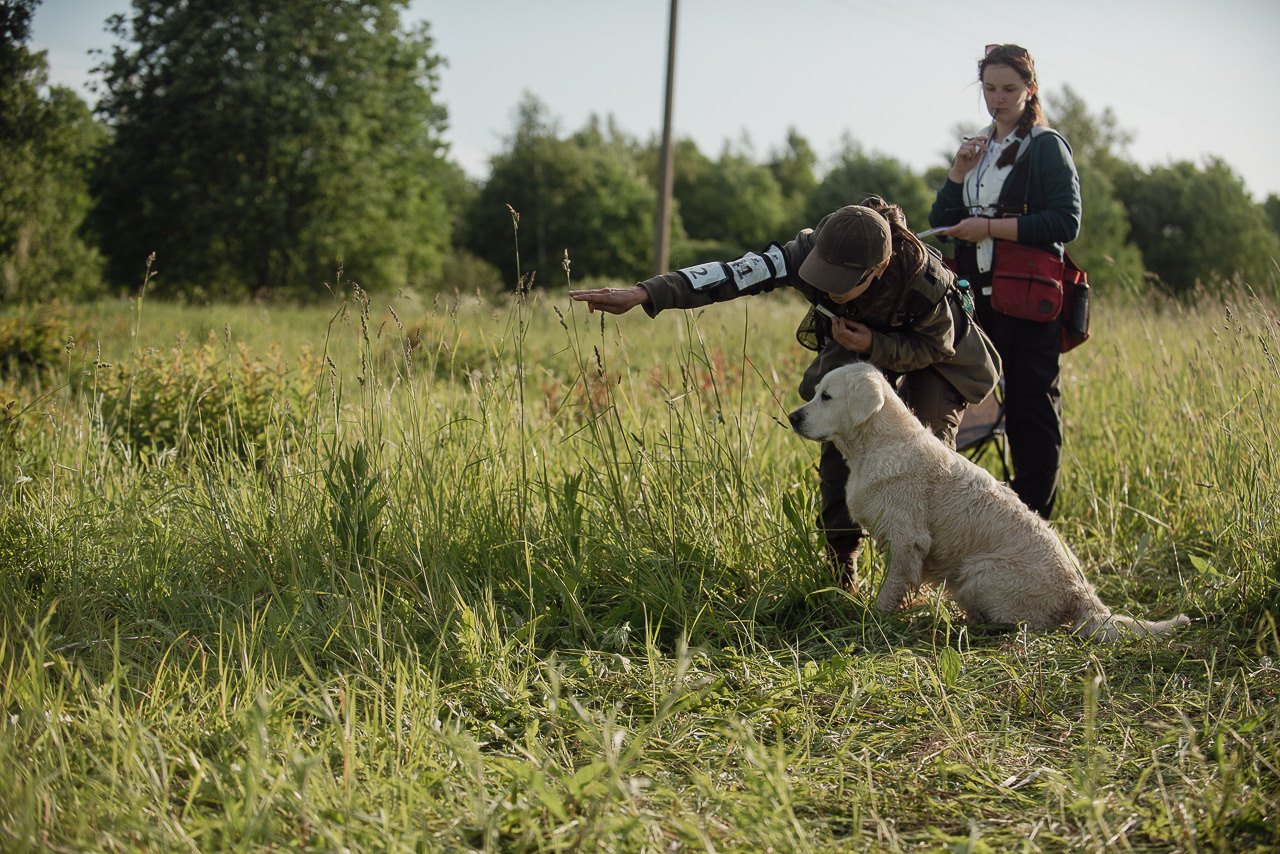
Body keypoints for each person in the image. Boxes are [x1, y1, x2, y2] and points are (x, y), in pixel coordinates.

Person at [570, 196, 1000, 584]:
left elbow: (937, 345)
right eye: (823, 275)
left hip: (932, 359)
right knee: (838, 432)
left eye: (842, 280)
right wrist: (645, 292)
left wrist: (874, 345)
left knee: (925, 456)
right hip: (855, 347)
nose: (829, 286)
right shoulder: (807, 252)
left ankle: (928, 574)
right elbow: (729, 275)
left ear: (878, 270)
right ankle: (841, 563)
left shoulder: (922, 281)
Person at [928, 43, 1082, 519]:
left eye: (1009, 89)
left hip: (1029, 299)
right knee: (953, 394)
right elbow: (942, 218)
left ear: (1029, 89)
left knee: (1030, 410)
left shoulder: (1046, 146)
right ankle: (962, 513)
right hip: (976, 300)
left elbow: (1066, 222)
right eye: (990, 88)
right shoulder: (977, 146)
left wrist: (989, 227)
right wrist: (957, 173)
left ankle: (1034, 525)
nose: (997, 98)